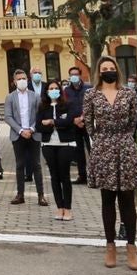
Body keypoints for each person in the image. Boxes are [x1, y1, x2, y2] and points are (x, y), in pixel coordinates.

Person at [84, 57, 137, 272]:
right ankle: (110, 246)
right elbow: (89, 124)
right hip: (103, 148)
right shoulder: (91, 95)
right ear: (98, 72)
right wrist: (101, 140)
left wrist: (122, 140)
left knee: (128, 199)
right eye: (104, 69)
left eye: (111, 68)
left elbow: (133, 120)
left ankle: (131, 247)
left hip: (125, 147)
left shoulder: (129, 94)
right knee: (108, 198)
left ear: (117, 71)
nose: (108, 71)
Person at [4, 69, 45, 206]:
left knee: (37, 165)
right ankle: (20, 194)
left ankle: (41, 196)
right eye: (19, 79)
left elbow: (40, 114)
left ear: (28, 80)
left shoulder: (35, 96)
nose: (22, 81)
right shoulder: (10, 97)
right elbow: (8, 117)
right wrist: (21, 130)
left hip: (34, 134)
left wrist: (32, 129)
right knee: (19, 165)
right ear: (14, 81)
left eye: (24, 78)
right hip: (18, 135)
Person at [37, 80, 77, 221]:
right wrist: (54, 123)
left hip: (65, 144)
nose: (53, 90)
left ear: (60, 90)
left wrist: (52, 122)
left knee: (64, 176)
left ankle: (68, 208)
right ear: (46, 91)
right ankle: (59, 207)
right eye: (50, 88)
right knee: (54, 176)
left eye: (56, 88)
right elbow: (39, 126)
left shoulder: (67, 104)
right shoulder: (43, 107)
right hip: (48, 144)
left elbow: (69, 122)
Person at [64, 67, 89, 183]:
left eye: (76, 74)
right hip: (74, 124)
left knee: (92, 150)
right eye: (71, 74)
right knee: (78, 152)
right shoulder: (66, 91)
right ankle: (82, 175)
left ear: (80, 75)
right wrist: (74, 120)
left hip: (88, 123)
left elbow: (90, 105)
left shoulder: (88, 88)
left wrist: (82, 118)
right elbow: (65, 107)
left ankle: (95, 175)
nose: (73, 76)